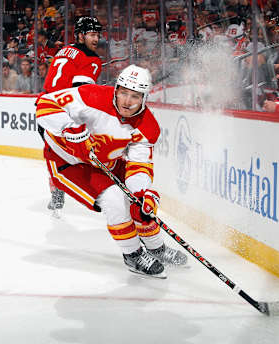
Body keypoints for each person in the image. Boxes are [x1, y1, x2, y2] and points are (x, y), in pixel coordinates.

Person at [35, 64, 188, 278]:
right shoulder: (92, 96)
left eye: (134, 96)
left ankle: (157, 248)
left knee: (138, 204)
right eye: (123, 92)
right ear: (115, 89)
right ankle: (133, 255)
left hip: (106, 161)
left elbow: (138, 165)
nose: (126, 101)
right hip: (68, 162)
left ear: (144, 98)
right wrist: (68, 127)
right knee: (115, 200)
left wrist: (141, 194)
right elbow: (45, 103)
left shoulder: (147, 126)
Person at [41, 16, 104, 215]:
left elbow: (55, 56)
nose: (96, 39)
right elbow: (80, 91)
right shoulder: (92, 60)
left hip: (45, 109)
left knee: (54, 154)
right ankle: (102, 196)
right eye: (92, 35)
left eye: (97, 35)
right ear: (80, 35)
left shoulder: (63, 49)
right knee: (80, 154)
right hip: (65, 113)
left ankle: (57, 193)